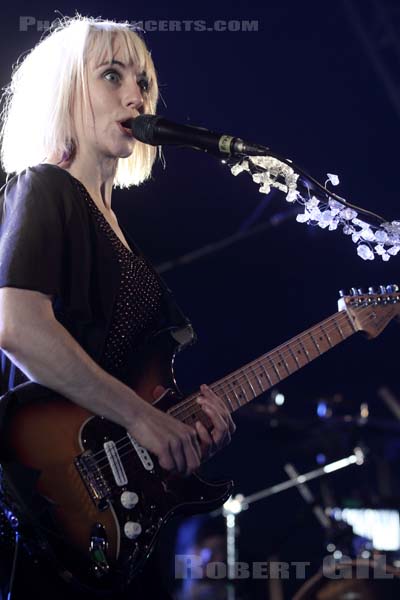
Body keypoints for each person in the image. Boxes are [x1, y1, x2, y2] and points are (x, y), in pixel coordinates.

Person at [0, 15, 236, 599]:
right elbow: (16, 324)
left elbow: (122, 387)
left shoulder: (118, 230)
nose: (137, 95)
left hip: (115, 519)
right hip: (50, 505)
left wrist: (179, 428)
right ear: (67, 92)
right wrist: (142, 417)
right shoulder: (45, 187)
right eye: (112, 76)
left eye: (146, 82)